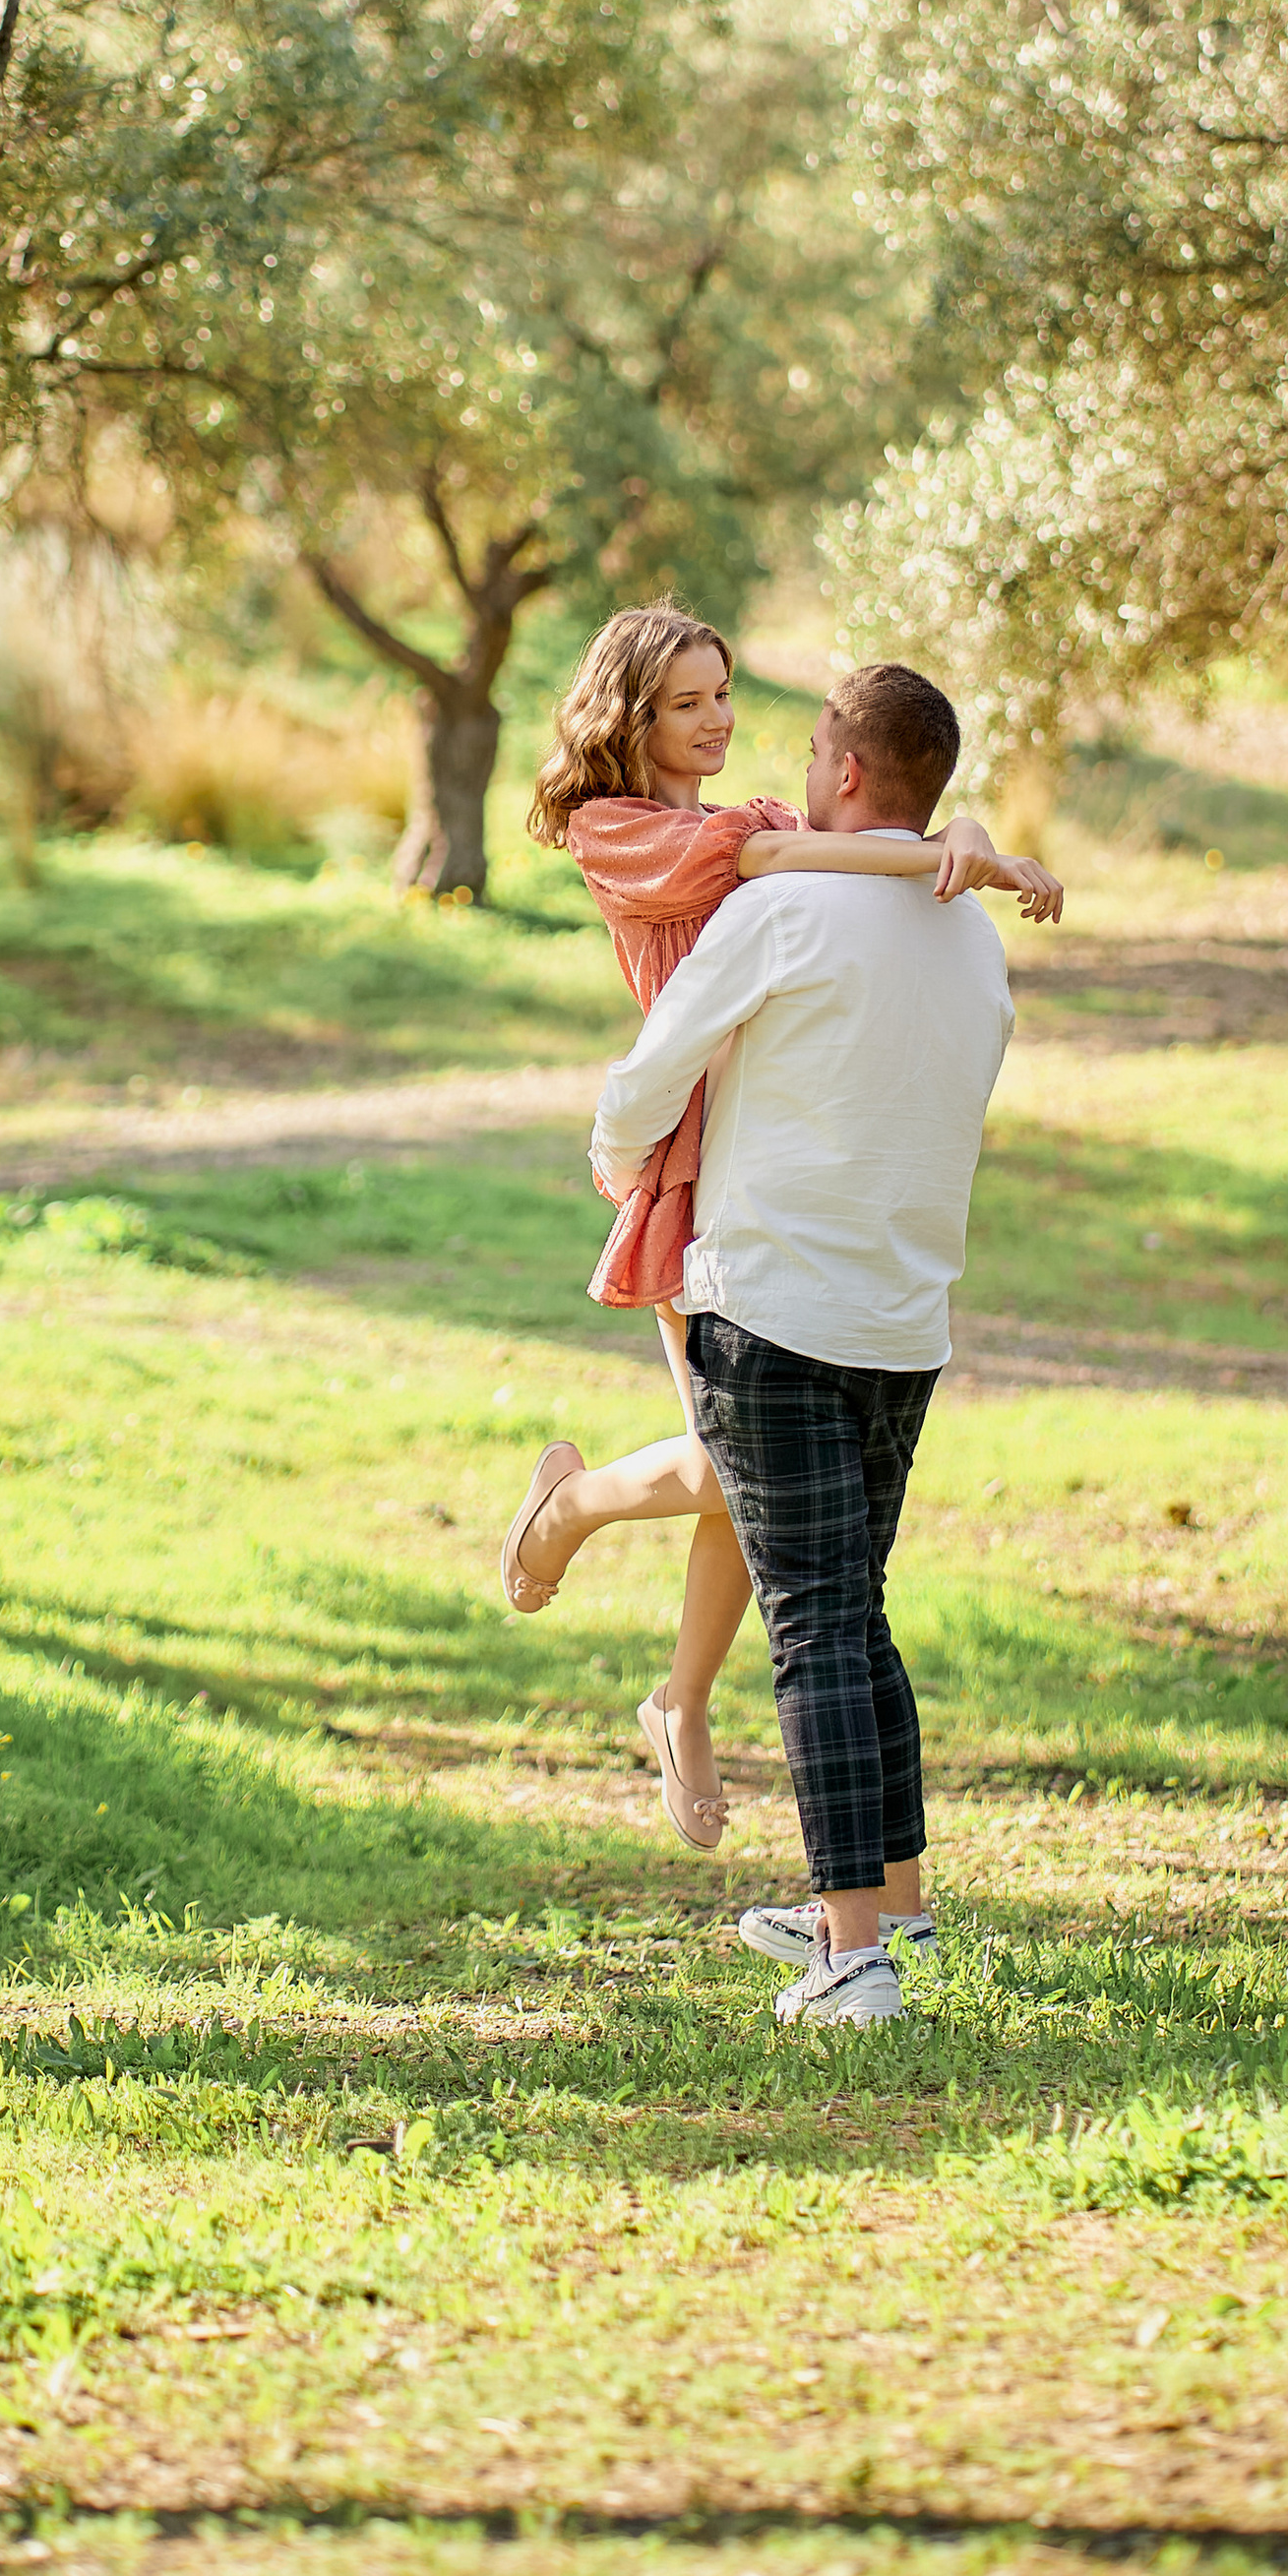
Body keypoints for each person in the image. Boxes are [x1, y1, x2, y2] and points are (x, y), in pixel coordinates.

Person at [504, 607, 1060, 1855]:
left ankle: (680, 1696)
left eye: (725, 696)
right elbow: (802, 866)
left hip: (769, 1133)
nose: (718, 722)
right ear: (630, 718)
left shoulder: (753, 814)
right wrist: (954, 855)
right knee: (737, 1463)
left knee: (747, 1466)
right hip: (693, 1149)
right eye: (688, 704)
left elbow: (851, 838)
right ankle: (577, 1511)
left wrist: (952, 838)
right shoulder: (625, 834)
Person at [588, 661, 1015, 2024]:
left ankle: (851, 1958)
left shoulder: (782, 911)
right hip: (904, 1319)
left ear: (840, 770)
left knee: (816, 1625)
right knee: (857, 1608)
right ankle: (898, 1908)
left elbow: (657, 1068)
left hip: (771, 1311)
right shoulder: (971, 934)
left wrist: (617, 1164)